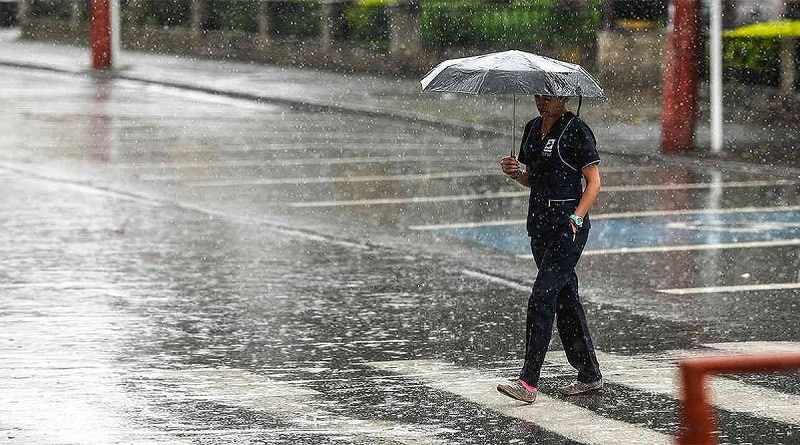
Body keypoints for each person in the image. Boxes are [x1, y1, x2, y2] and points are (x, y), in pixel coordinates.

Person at [496, 95, 603, 404]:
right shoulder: (531, 128)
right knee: (566, 300)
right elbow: (536, 179)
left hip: (567, 229)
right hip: (539, 227)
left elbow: (594, 182)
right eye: (538, 96)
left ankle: (528, 382)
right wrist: (515, 173)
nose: (542, 103)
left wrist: (577, 216)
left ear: (565, 97)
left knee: (542, 298)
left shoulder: (576, 130)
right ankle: (589, 374)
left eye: (549, 97)